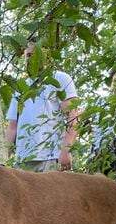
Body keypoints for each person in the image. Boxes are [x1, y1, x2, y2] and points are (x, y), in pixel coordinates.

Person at [5, 43, 80, 172]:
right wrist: (2, 159)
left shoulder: (59, 78)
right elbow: (12, 127)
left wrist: (66, 150)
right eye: (28, 55)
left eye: (35, 55)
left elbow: (73, 116)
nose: (31, 59)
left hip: (51, 157)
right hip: (22, 161)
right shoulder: (19, 87)